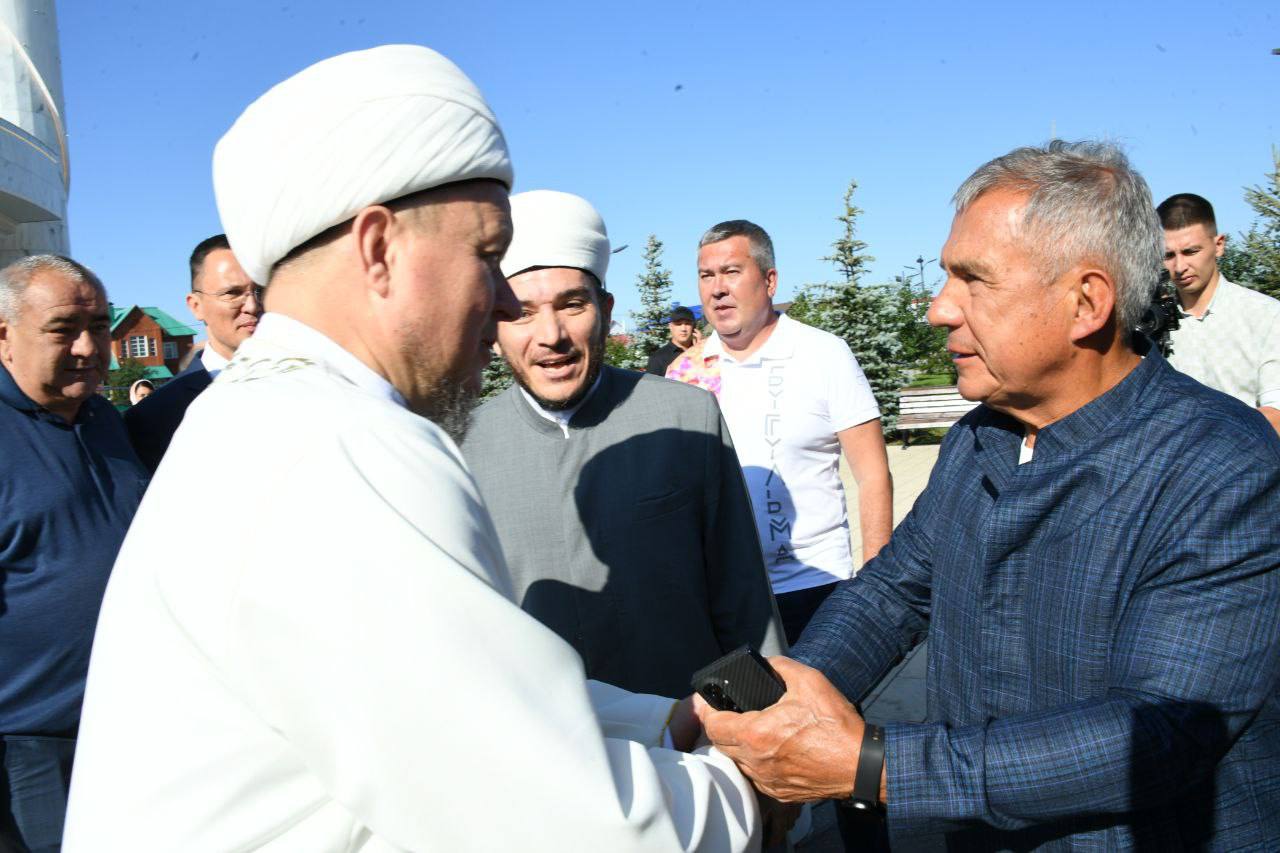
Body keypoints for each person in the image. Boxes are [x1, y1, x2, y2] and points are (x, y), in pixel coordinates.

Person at [63, 46, 759, 851]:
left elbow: (457, 694)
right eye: (488, 255)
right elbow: (556, 821)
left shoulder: (266, 416)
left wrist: (665, 721)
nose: (506, 300)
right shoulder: (343, 447)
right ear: (378, 248)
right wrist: (747, 786)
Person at [695, 141, 1280, 850]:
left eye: (974, 280)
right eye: (947, 276)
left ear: (1086, 301)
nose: (939, 309)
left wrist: (871, 766)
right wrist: (784, 701)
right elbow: (892, 593)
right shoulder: (981, 438)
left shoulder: (1222, 466)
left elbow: (1160, 732)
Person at [463, 190, 784, 700]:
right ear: (493, 322)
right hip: (541, 734)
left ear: (605, 310)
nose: (551, 335)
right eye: (522, 313)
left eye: (572, 305)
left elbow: (741, 594)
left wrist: (759, 718)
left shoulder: (686, 417)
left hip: (689, 732)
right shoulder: (461, 448)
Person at [666, 220, 893, 645]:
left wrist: (876, 586)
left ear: (769, 280)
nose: (717, 289)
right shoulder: (685, 372)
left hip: (816, 588)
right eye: (706, 275)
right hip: (724, 597)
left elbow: (873, 474)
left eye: (732, 272)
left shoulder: (822, 354)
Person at [0, 255, 148, 852]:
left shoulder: (104, 418)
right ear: (4, 334)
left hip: (132, 721)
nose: (89, 348)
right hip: (31, 746)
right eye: (63, 329)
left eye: (101, 327)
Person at [124, 234, 263, 472]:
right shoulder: (156, 416)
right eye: (232, 293)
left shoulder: (311, 385)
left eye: (260, 291)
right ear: (196, 306)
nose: (252, 306)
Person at [1157, 192, 1280, 434]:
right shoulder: (1150, 326)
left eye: (1191, 251)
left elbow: (1276, 415)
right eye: (1168, 255)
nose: (1179, 267)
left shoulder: (1266, 316)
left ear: (1219, 245)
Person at [646, 304, 700, 376]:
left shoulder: (702, 352)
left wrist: (700, 348)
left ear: (693, 327)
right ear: (670, 326)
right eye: (678, 324)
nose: (683, 329)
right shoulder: (658, 358)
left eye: (687, 324)